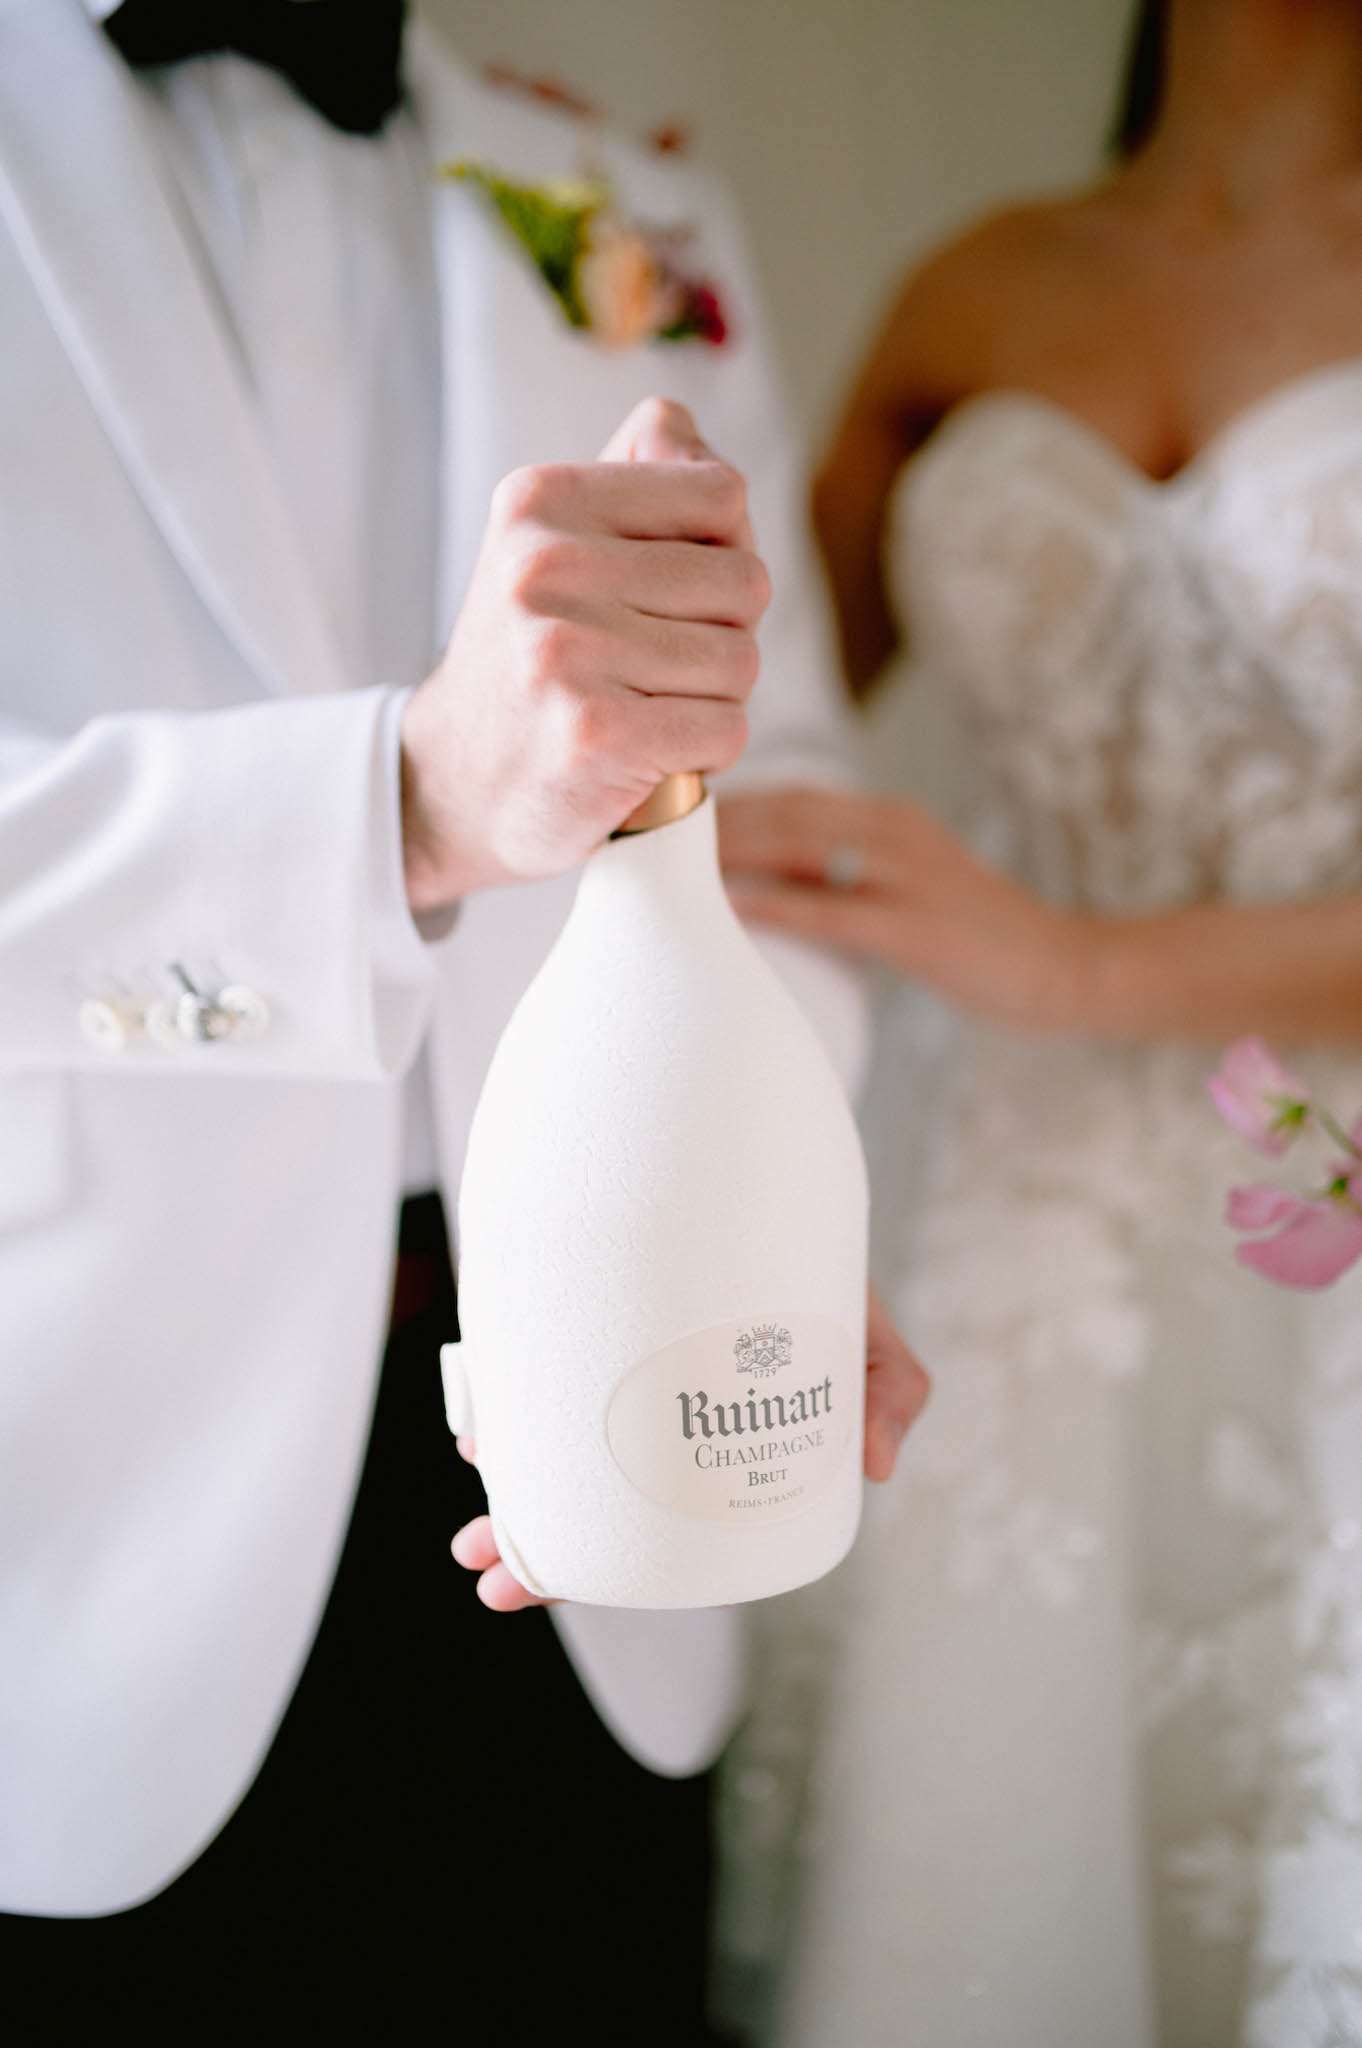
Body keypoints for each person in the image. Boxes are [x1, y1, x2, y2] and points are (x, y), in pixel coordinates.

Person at [0, 3, 928, 2038]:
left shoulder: (624, 192)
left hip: (609, 1499)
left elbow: (793, 832)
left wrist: (763, 1214)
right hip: (70, 1512)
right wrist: (397, 800)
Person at [718, 1, 1362, 2042]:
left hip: (1326, 1207)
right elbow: (734, 738)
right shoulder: (979, 284)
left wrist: (1072, 965)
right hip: (989, 1217)